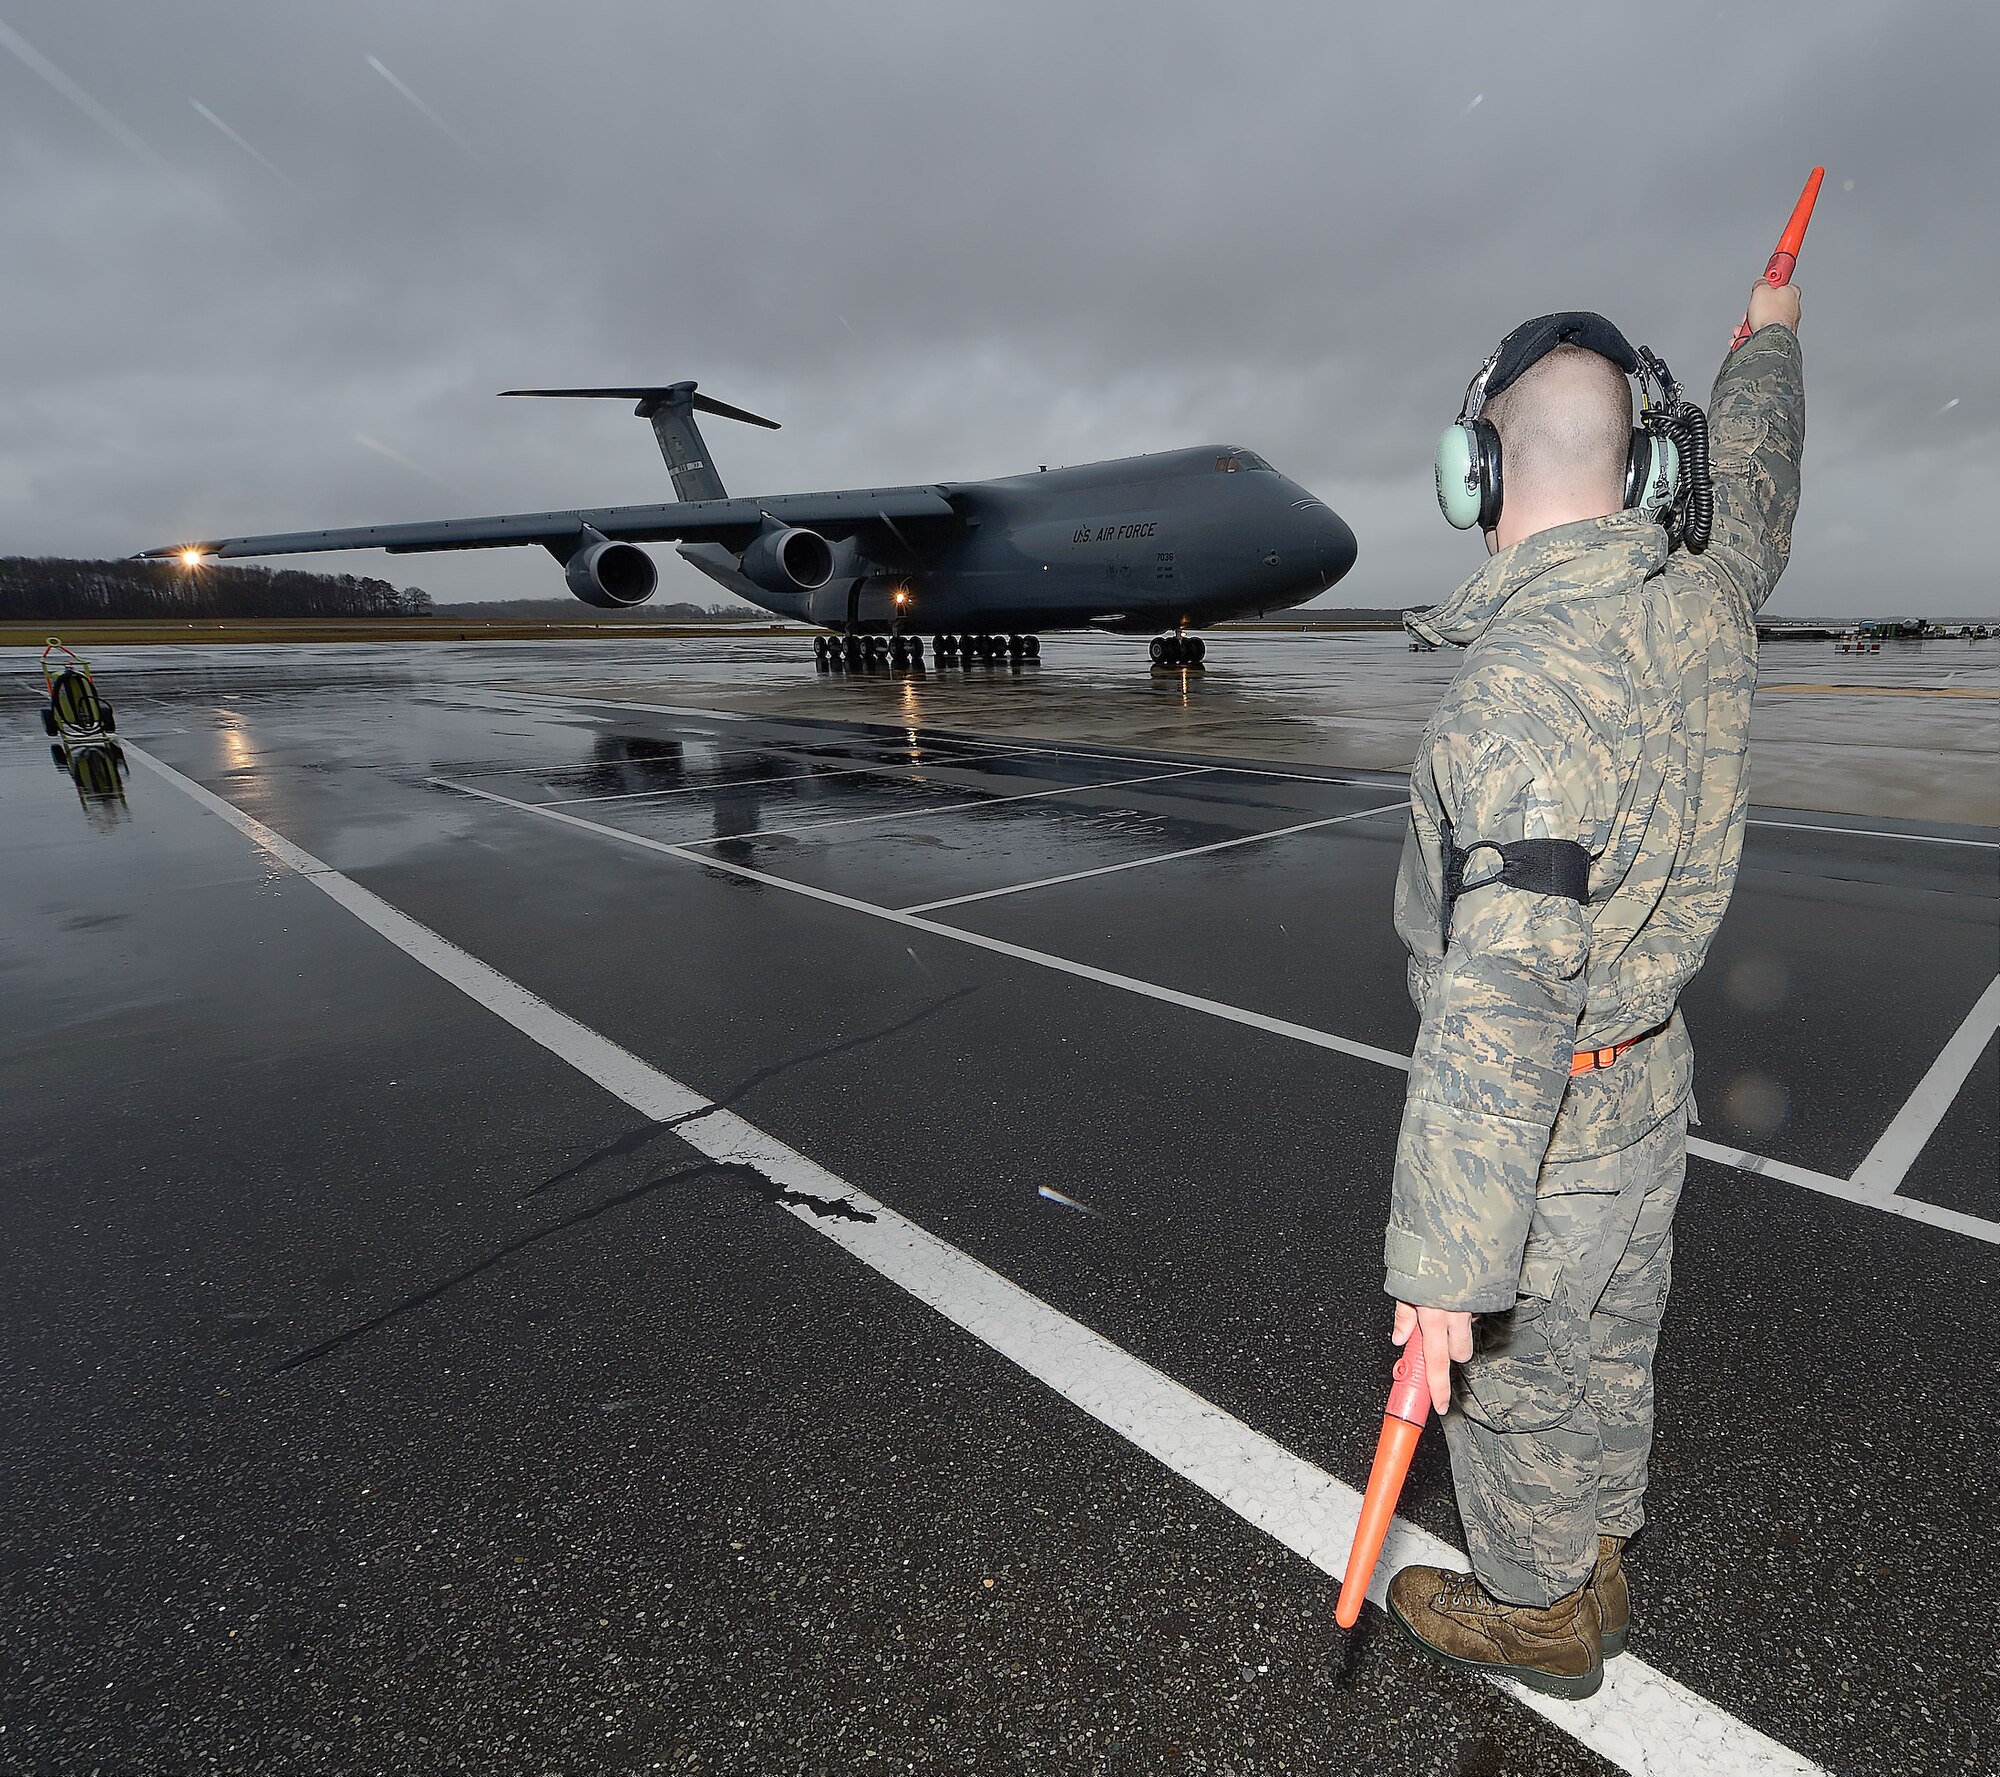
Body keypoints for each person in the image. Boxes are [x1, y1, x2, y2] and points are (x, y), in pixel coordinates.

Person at [1378, 284, 1805, 1700]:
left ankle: (1542, 1608)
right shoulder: (1703, 597)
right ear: (1647, 467)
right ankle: (1606, 1548)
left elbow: (1501, 996)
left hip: (1548, 1123)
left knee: (1509, 1387)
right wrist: (1769, 342)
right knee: (1617, 1338)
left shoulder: (1520, 694)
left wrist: (1447, 1269)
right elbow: (1755, 492)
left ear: (1478, 473)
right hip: (1649, 1080)